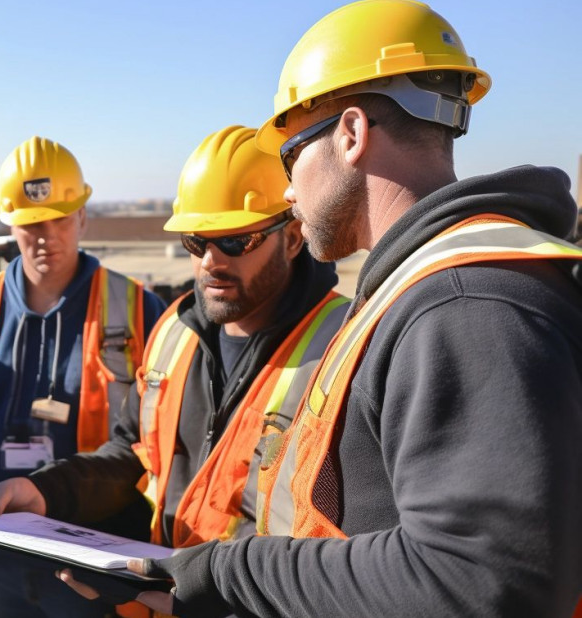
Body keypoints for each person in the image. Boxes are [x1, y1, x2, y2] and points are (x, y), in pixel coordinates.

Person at [123, 2, 582, 617]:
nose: (287, 190)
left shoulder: (463, 306)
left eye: (290, 156)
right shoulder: (425, 291)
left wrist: (233, 569)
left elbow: (483, 583)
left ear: (351, 134)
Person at [0, 126, 347, 604]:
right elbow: (132, 454)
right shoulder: (176, 330)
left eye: (235, 240)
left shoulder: (340, 345)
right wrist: (46, 491)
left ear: (293, 237)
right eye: (197, 242)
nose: (211, 261)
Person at [0, 136, 166, 617]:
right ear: (9, 223)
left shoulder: (137, 309)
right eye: (30, 223)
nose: (44, 235)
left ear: (81, 217)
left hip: (96, 560)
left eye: (58, 218)